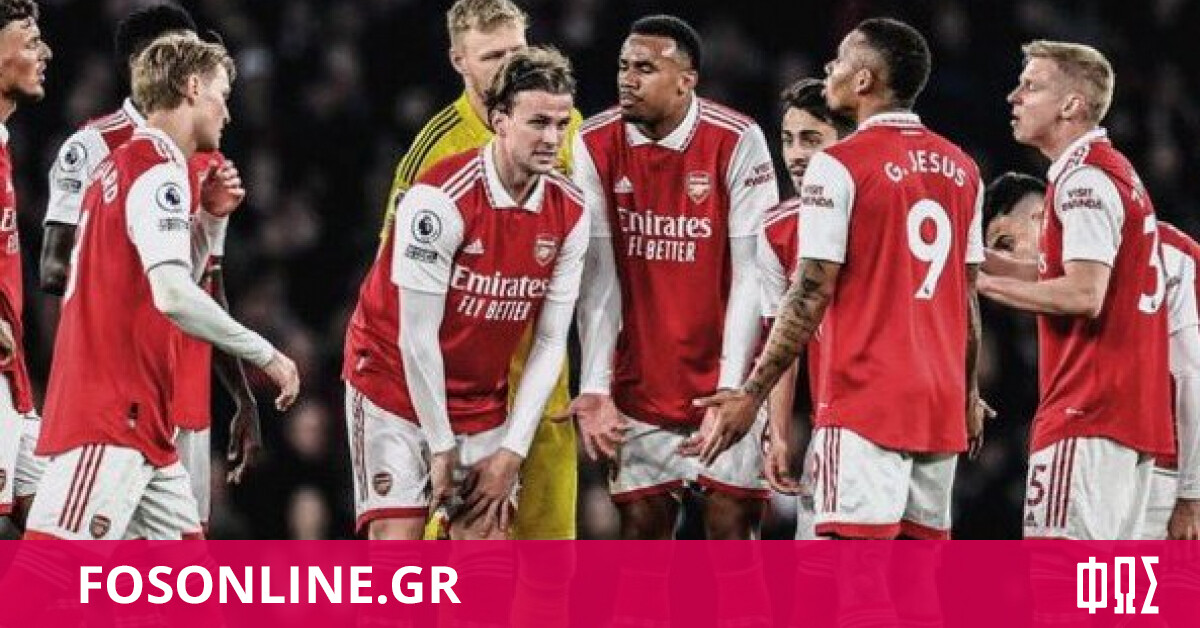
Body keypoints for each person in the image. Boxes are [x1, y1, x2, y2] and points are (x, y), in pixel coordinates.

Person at [696, 17, 985, 541]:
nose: (830, 67)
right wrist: (967, 394)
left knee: (846, 576)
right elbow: (966, 300)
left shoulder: (839, 164)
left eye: (841, 59)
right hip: (938, 408)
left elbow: (809, 292)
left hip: (863, 405)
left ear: (864, 80)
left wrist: (751, 394)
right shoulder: (963, 168)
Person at [25, 33, 299, 540]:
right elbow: (172, 294)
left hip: (145, 424)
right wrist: (266, 355)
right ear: (192, 88)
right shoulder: (158, 173)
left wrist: (208, 224)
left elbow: (157, 280)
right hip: (109, 417)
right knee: (44, 582)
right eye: (221, 96)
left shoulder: (123, 165)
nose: (227, 113)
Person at [342, 46, 585, 541]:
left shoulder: (572, 212)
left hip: (479, 397)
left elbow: (549, 341)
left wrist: (511, 453)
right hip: (392, 382)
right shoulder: (438, 201)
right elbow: (416, 338)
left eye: (561, 124)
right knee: (399, 545)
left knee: (488, 550)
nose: (552, 139)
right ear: (500, 121)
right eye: (538, 122)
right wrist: (441, 446)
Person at [572, 14, 778, 541]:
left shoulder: (737, 139)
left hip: (725, 377)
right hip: (641, 386)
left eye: (645, 68)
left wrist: (731, 390)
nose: (627, 80)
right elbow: (599, 276)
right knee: (641, 540)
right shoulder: (593, 141)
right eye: (623, 66)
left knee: (732, 536)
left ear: (687, 80)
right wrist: (595, 387)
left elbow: (752, 274)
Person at [979, 40, 1173, 540]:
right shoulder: (1116, 172)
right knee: (1108, 586)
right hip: (1128, 427)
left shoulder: (1083, 180)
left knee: (1064, 584)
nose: (1014, 96)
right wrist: (974, 261)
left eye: (1031, 86)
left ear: (1071, 105)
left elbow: (1085, 294)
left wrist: (984, 283)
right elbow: (1056, 273)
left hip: (1085, 416)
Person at [983, 173, 1200, 541]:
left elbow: (1192, 372)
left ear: (1043, 217)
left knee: (1066, 573)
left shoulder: (1154, 251)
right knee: (1110, 580)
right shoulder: (1117, 259)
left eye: (1007, 242)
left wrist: (1192, 492)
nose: (1009, 259)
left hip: (1163, 470)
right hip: (1146, 462)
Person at [756, 77, 853, 539]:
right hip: (827, 426)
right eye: (788, 139)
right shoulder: (777, 230)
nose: (795, 155)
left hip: (884, 418)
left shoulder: (879, 215)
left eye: (812, 139)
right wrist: (778, 433)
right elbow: (783, 339)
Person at [0, 0, 50, 529]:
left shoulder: (3, 142)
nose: (45, 52)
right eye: (31, 41)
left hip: (12, 376)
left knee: (56, 528)